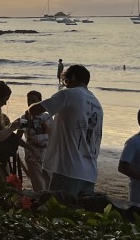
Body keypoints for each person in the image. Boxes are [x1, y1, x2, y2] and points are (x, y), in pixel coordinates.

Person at [31, 63, 103, 200]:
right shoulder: (97, 104)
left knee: (56, 212)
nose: (65, 85)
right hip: (90, 173)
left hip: (68, 170)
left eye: (66, 81)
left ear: (73, 77)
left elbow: (34, 110)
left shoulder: (69, 94)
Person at [22, 90, 51, 193]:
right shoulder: (24, 118)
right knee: (39, 186)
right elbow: (19, 135)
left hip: (46, 156)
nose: (30, 103)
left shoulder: (48, 117)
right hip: (32, 156)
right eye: (29, 100)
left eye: (33, 100)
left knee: (48, 185)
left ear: (40, 102)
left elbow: (51, 135)